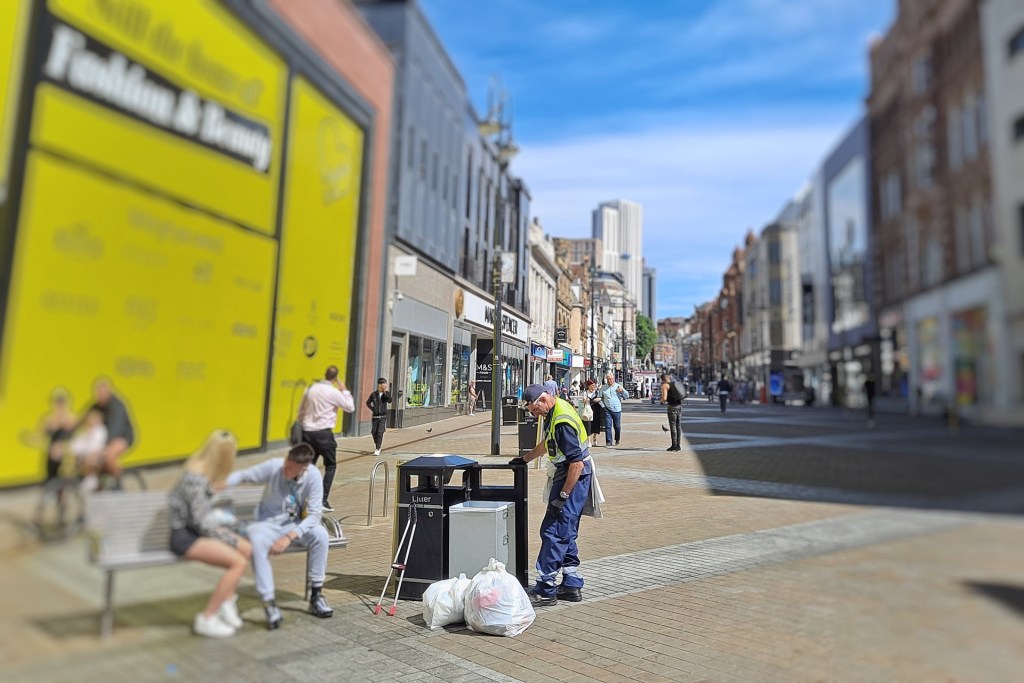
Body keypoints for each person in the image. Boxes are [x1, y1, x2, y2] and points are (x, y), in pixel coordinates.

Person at [510, 384, 602, 606]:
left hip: (572, 477)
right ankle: (571, 583)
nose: (534, 414)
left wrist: (562, 495)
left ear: (542, 400)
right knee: (566, 530)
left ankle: (545, 588)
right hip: (571, 475)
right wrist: (525, 459)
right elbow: (548, 444)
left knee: (553, 531)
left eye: (533, 410)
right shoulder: (558, 409)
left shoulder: (561, 422)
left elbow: (576, 463)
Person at [226, 443, 333, 630]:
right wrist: (220, 484)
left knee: (321, 534)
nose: (285, 469)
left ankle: (316, 595)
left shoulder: (313, 476)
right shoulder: (275, 466)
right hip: (268, 523)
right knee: (256, 539)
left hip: (293, 525)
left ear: (304, 468)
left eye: (291, 468)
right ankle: (269, 602)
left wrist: (289, 537)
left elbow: (315, 515)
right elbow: (244, 475)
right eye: (286, 464)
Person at [168, 430, 252, 638]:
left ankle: (227, 603)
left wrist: (213, 491)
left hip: (195, 531)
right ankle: (207, 617)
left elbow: (200, 513)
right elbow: (201, 522)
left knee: (246, 550)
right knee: (238, 563)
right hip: (185, 536)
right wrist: (229, 537)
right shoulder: (195, 478)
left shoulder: (200, 471)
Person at [298, 365, 354, 512]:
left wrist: (302, 426)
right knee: (330, 466)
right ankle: (322, 500)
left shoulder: (311, 389)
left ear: (324, 374)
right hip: (324, 434)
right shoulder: (334, 392)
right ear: (336, 378)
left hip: (308, 432)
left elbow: (301, 411)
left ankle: (301, 497)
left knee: (308, 466)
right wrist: (345, 390)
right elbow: (350, 407)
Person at [86, 378, 135, 486]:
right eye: (99, 393)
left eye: (103, 393)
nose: (101, 396)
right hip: (105, 438)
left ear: (109, 392)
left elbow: (116, 427)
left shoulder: (116, 406)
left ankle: (118, 483)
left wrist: (104, 445)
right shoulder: (96, 405)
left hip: (122, 436)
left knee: (109, 455)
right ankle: (100, 483)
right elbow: (84, 418)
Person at [70, 408, 108, 491]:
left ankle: (91, 480)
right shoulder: (83, 430)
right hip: (82, 455)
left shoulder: (100, 430)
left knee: (91, 459)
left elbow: (97, 447)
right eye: (90, 418)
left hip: (96, 456)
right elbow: (75, 445)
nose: (91, 421)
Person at [598, 372, 628, 446]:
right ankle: (608, 442)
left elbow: (627, 396)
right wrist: (603, 406)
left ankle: (617, 439)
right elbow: (600, 398)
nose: (609, 381)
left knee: (617, 426)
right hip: (607, 409)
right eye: (608, 379)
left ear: (613, 379)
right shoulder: (603, 388)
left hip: (617, 409)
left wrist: (622, 391)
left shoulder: (618, 386)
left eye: (610, 379)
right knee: (608, 426)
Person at [366, 378, 392, 456]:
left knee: (380, 432)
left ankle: (377, 448)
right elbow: (368, 403)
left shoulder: (386, 394)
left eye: (384, 384)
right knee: (374, 432)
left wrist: (384, 393)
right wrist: (373, 409)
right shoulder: (374, 394)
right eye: (381, 384)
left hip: (383, 416)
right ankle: (378, 444)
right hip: (375, 417)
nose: (382, 385)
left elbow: (390, 400)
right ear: (378, 385)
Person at [660, 373, 684, 451]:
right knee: (678, 426)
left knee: (673, 426)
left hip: (672, 407)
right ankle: (678, 445)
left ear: (663, 379)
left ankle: (674, 445)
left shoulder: (665, 385)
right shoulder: (675, 384)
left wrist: (661, 401)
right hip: (679, 406)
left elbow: (664, 398)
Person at [581, 379, 603, 447]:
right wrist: (585, 400)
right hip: (588, 411)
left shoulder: (597, 392)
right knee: (588, 425)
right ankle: (589, 440)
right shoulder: (586, 393)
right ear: (589, 386)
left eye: (594, 385)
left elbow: (601, 398)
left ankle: (594, 438)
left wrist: (599, 399)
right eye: (592, 385)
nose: (594, 386)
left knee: (596, 425)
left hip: (596, 410)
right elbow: (583, 402)